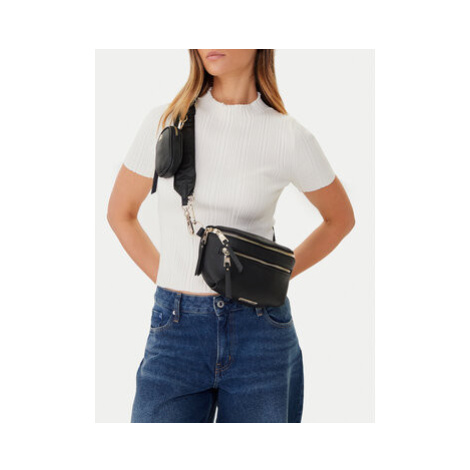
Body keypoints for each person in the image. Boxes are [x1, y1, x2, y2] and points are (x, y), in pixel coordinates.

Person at [107, 49, 355, 423]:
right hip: (175, 333)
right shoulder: (166, 122)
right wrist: (173, 285)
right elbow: (120, 214)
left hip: (261, 335)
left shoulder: (289, 137)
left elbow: (340, 219)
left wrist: (274, 280)